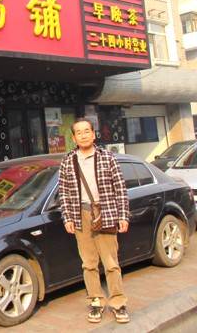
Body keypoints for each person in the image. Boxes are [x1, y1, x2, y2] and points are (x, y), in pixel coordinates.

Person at [58, 117, 130, 324]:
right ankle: (96, 302)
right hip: (81, 215)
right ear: (73, 138)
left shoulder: (107, 157)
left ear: (93, 134)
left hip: (106, 212)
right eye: (79, 132)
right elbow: (64, 192)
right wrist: (67, 217)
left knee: (111, 263)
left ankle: (118, 303)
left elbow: (120, 188)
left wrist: (123, 215)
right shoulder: (68, 161)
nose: (83, 135)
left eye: (87, 131)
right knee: (89, 264)